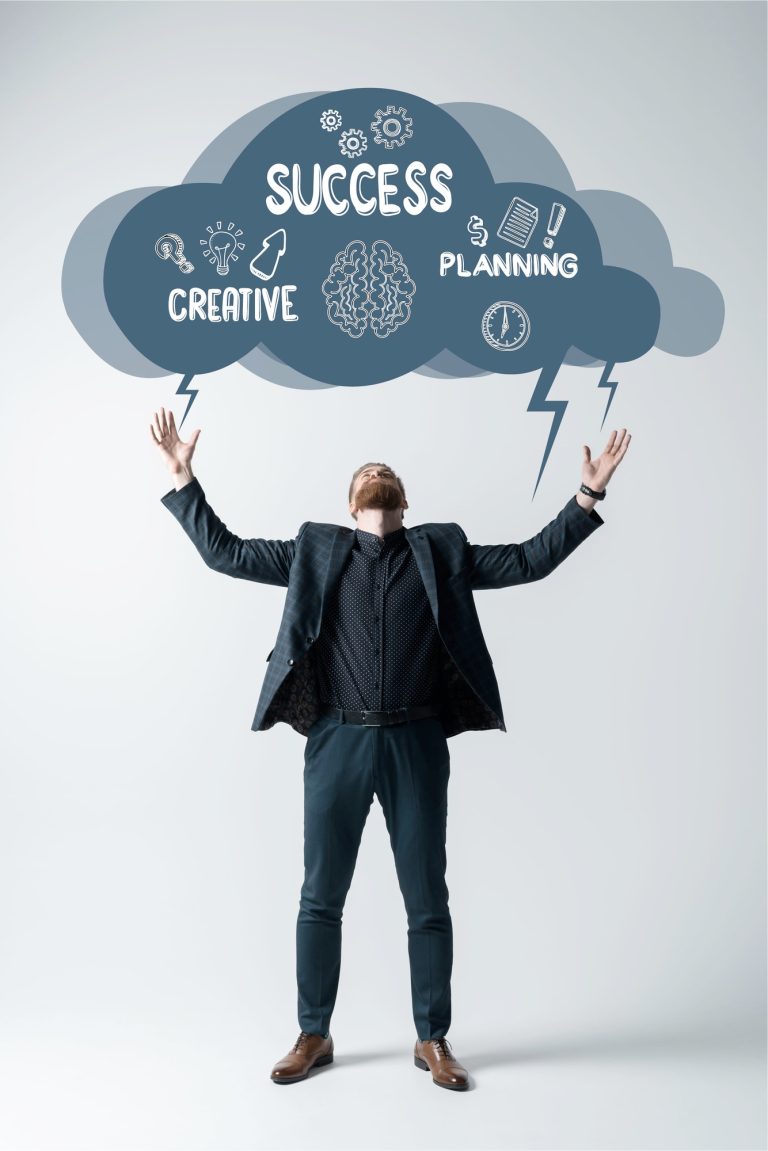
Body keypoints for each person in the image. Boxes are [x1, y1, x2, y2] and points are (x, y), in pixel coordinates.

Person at [150, 406, 631, 1091]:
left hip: (416, 741)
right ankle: (313, 1032)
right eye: (365, 473)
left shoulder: (441, 551)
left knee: (426, 896)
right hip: (337, 739)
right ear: (352, 504)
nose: (375, 475)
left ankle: (433, 1038)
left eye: (386, 474)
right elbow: (224, 552)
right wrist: (183, 480)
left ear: (403, 502)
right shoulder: (314, 551)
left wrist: (587, 496)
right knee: (320, 895)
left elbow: (529, 559)